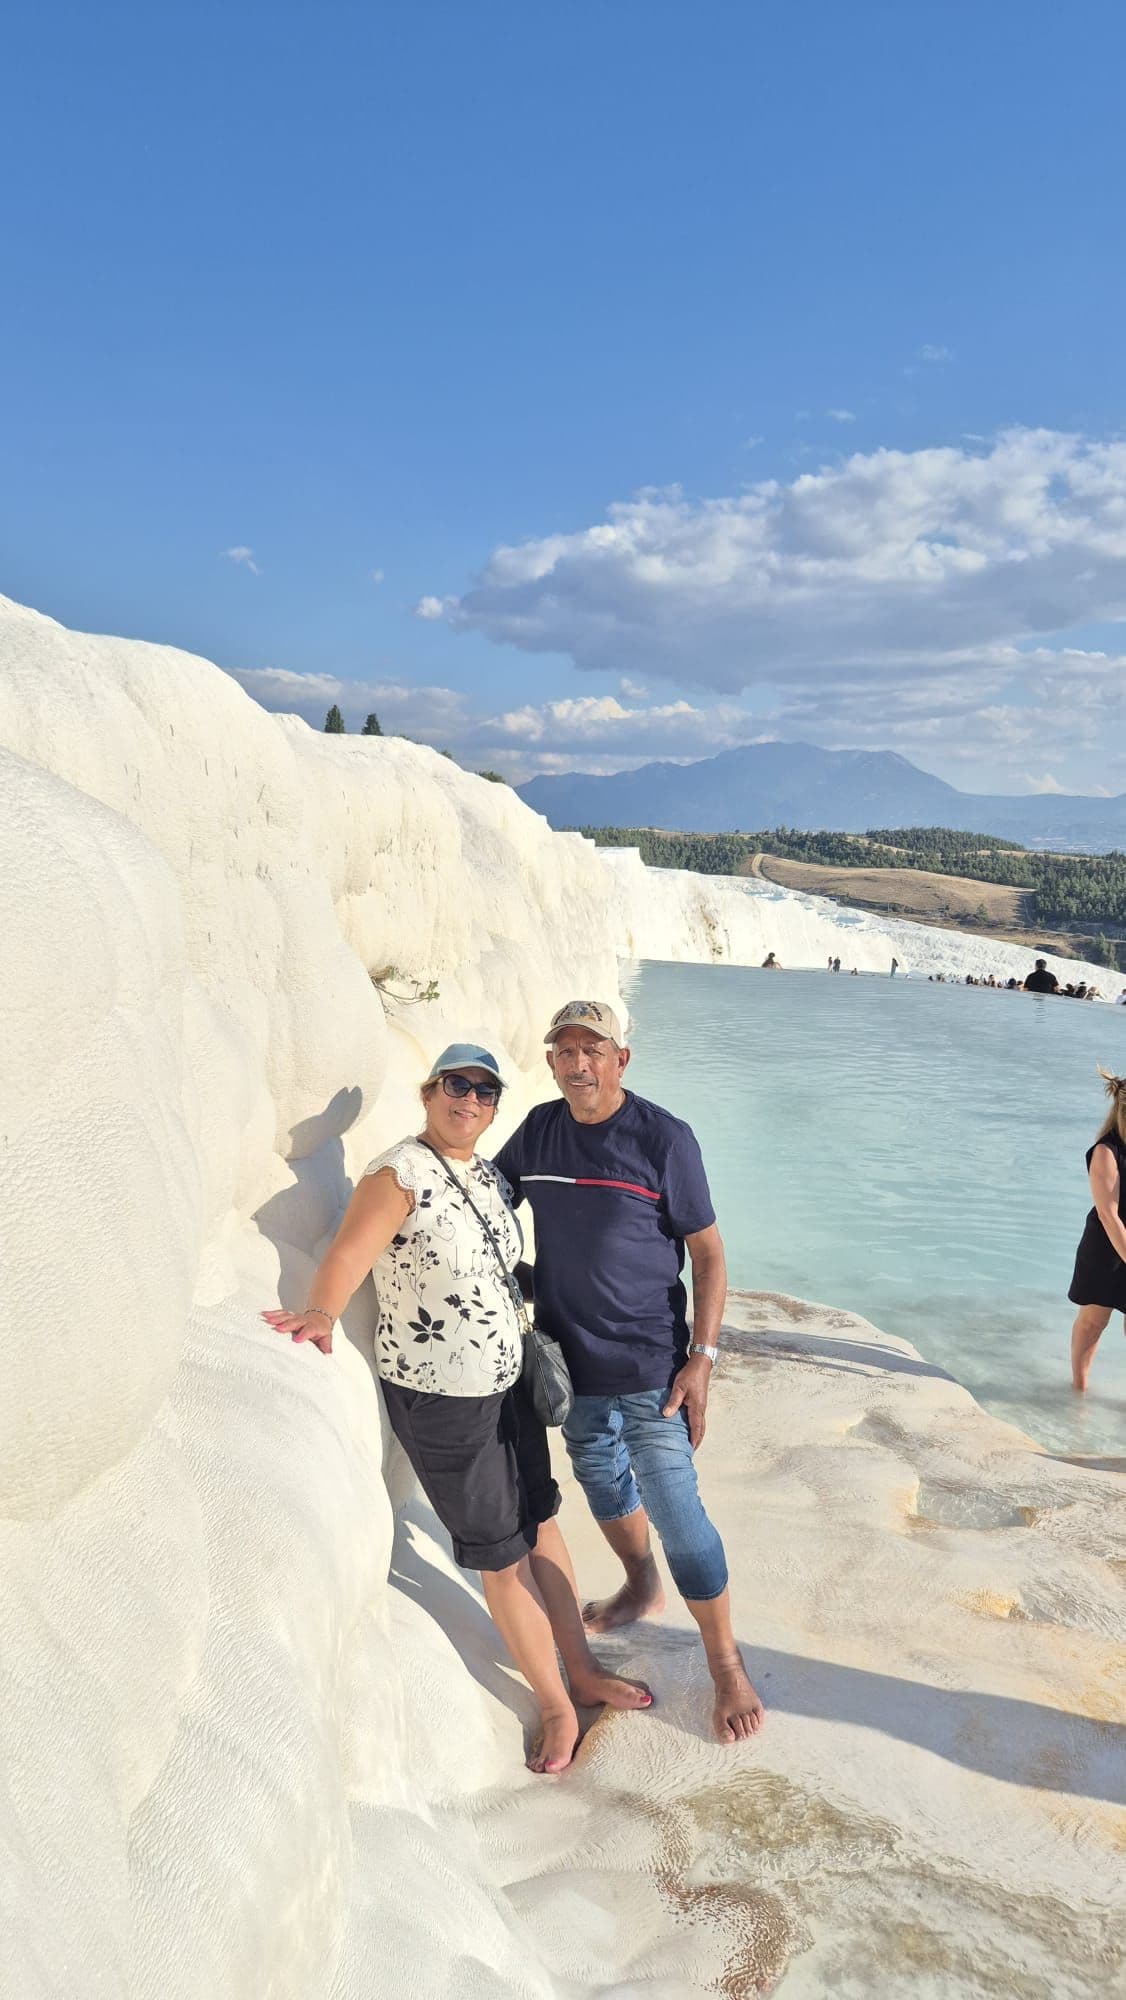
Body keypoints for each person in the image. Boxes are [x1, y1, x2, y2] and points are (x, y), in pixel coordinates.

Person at [262, 1042, 651, 1774]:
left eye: (483, 1091)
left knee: (540, 1523)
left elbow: (503, 1269)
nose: (468, 1099)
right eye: (455, 1085)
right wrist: (319, 1312)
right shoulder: (398, 1172)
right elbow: (349, 1252)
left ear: (495, 1106)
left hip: (506, 1386)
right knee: (501, 1558)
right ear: (428, 1090)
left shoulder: (485, 1176)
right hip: (442, 1399)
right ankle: (558, 1705)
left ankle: (584, 1668)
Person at [495, 1000, 765, 1746]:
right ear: (550, 1061)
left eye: (593, 1049)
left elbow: (708, 1254)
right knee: (602, 1481)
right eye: (565, 1050)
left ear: (621, 1059)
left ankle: (725, 1664)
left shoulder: (662, 1138)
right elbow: (486, 1200)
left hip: (652, 1365)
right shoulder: (539, 1132)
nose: (578, 1063)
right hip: (570, 1364)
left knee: (676, 1508)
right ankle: (641, 1582)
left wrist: (702, 1360)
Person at [1067, 1069, 1126, 1391]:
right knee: (1094, 1321)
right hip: (1106, 1249)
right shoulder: (1106, 1151)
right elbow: (1109, 1214)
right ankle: (1079, 1390)